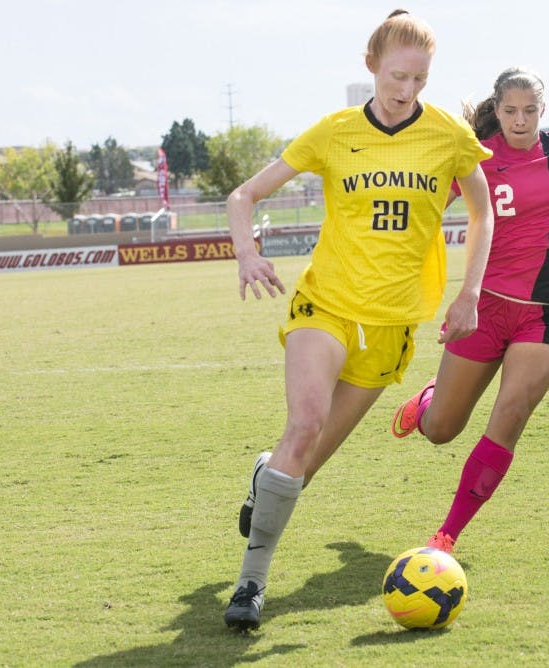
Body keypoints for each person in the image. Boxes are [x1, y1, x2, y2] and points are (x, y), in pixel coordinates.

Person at [222, 9, 495, 631]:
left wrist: (468, 293)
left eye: (420, 80)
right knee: (305, 423)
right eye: (397, 75)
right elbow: (244, 195)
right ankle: (249, 584)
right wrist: (246, 252)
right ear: (371, 65)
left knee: (305, 462)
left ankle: (269, 478)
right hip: (327, 305)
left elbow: (483, 214)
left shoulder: (449, 136)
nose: (406, 90)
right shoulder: (334, 131)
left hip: (393, 326)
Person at [390, 68, 549, 554]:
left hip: (547, 313)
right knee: (441, 430)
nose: (519, 121)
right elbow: (430, 204)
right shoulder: (475, 157)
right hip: (483, 308)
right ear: (497, 111)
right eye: (510, 112)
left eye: (529, 111)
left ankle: (446, 536)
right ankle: (426, 403)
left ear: (542, 111)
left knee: (511, 413)